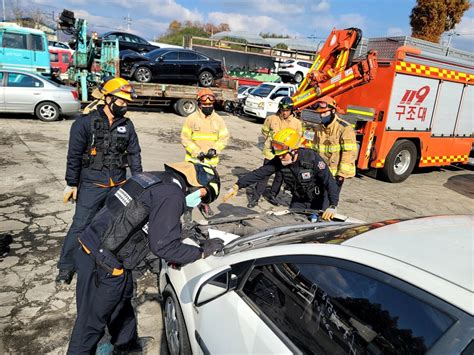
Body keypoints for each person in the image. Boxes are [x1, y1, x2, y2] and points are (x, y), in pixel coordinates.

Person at [67, 162, 224, 354]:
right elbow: (164, 247)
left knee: (123, 299)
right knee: (89, 325)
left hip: (95, 245)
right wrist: (201, 251)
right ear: (199, 188)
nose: (199, 201)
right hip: (102, 262)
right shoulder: (172, 195)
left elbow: (135, 212)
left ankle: (127, 345)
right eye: (203, 196)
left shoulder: (151, 177)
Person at [56, 77, 143, 285]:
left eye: (126, 102)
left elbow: (134, 154)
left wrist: (139, 181)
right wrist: (72, 183)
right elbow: (74, 155)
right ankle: (66, 267)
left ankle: (101, 260)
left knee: (113, 226)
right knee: (80, 225)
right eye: (121, 101)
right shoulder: (84, 123)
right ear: (107, 99)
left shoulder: (127, 125)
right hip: (91, 185)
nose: (125, 106)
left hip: (118, 185)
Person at [224, 128, 339, 220]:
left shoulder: (312, 158)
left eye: (283, 155)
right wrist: (237, 185)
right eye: (278, 155)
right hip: (299, 200)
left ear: (294, 151)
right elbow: (260, 173)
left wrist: (333, 205)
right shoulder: (280, 160)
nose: (280, 158)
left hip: (319, 200)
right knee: (291, 225)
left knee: (318, 230)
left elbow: (329, 181)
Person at [180, 87, 229, 217]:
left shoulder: (218, 120)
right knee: (192, 188)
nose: (208, 106)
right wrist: (196, 151)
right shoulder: (191, 119)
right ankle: (187, 212)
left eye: (210, 104)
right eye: (205, 104)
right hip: (193, 162)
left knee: (208, 188)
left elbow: (224, 138)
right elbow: (185, 138)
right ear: (199, 104)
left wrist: (216, 149)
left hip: (211, 163)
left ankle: (205, 205)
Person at [248, 96, 302, 208]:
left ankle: (272, 195)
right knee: (264, 176)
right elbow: (265, 131)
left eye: (287, 110)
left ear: (291, 110)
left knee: (280, 177)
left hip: (285, 155)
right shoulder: (271, 119)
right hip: (270, 153)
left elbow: (298, 138)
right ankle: (255, 198)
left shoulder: (296, 123)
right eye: (283, 110)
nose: (284, 112)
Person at [308, 96, 357, 190]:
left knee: (329, 201)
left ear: (333, 111)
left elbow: (349, 154)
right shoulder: (318, 128)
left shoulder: (344, 128)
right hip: (320, 172)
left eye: (324, 112)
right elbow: (314, 150)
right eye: (320, 113)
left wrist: (341, 175)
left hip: (334, 176)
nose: (322, 115)